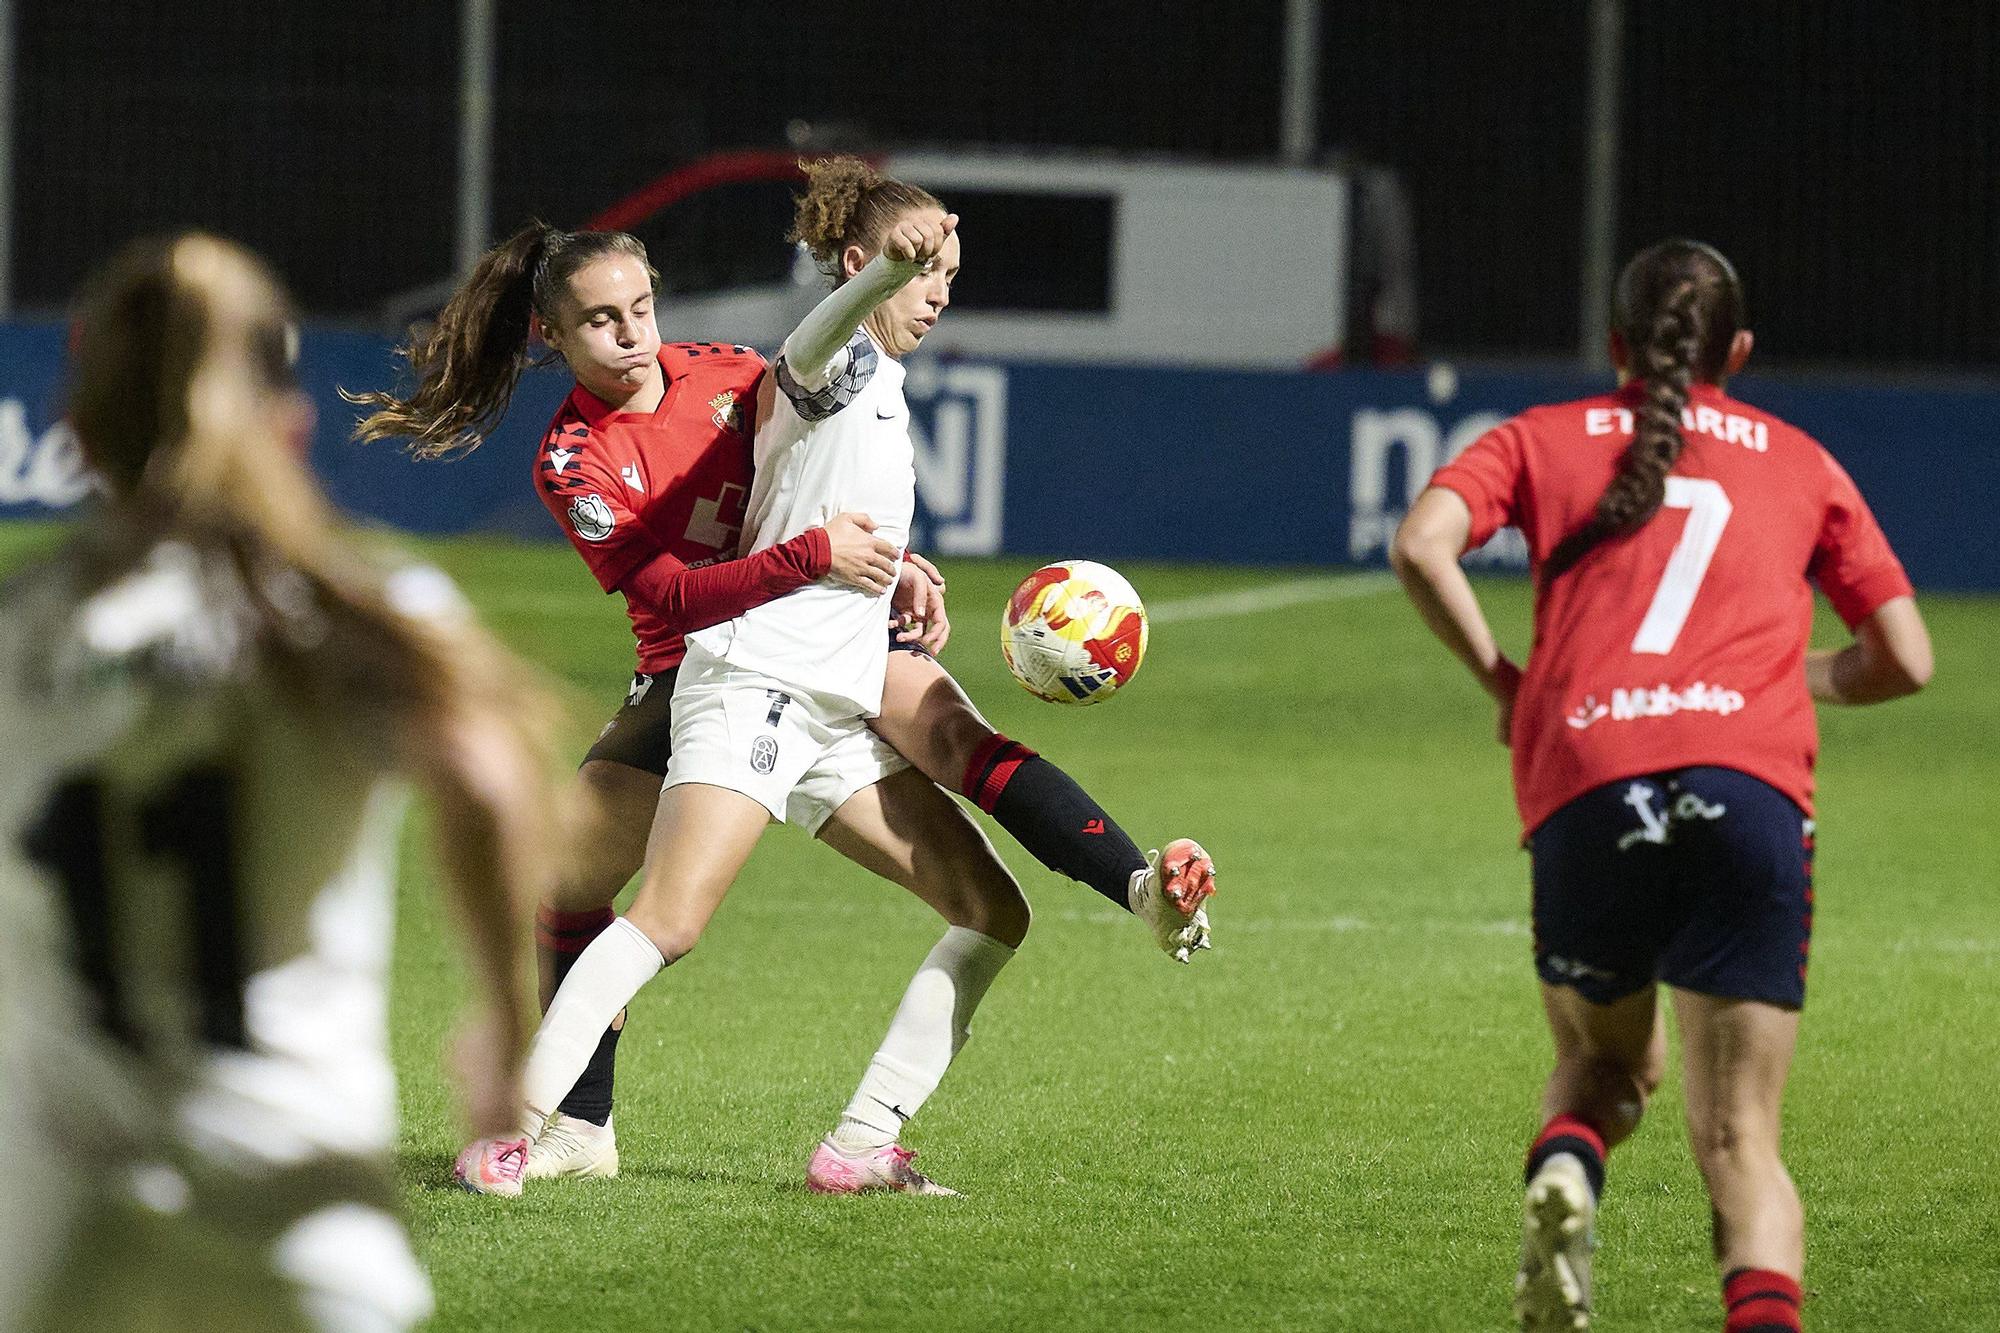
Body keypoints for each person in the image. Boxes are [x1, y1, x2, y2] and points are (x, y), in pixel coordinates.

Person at [347, 159, 1214, 1185]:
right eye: (601, 321)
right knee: (606, 901)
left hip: (825, 661)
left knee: (978, 841)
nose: (632, 333)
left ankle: (887, 1118)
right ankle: (549, 1124)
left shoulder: (729, 369)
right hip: (706, 666)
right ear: (555, 337)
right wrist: (823, 546)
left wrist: (894, 570)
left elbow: (813, 448)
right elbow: (677, 586)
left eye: (641, 307)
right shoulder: (575, 457)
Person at [0, 233, 557, 1331]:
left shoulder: (23, 629)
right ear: (290, 424)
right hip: (297, 1203)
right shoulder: (350, 610)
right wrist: (501, 1024)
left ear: (78, 437)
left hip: (65, 1220)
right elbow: (489, 785)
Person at [1390, 240, 1932, 1332]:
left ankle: (1567, 1169)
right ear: (1736, 350)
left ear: (1613, 345)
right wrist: (1791, 674)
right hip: (1748, 792)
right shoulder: (1798, 458)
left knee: (1603, 1065)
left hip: (1591, 779)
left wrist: (1507, 678)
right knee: (1738, 1140)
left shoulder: (1540, 437)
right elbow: (1905, 659)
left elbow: (1419, 544)